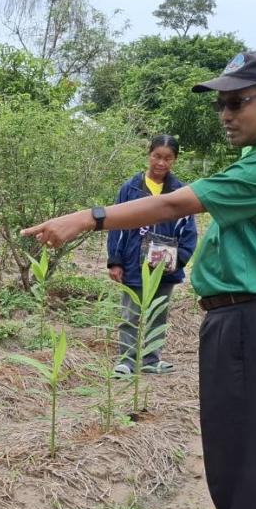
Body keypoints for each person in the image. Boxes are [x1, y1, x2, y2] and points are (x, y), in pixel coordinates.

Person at [23, 52, 256, 509]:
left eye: (237, 102)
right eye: (220, 104)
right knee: (231, 438)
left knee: (246, 445)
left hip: (251, 316)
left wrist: (87, 218)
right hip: (239, 312)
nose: (225, 114)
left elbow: (180, 202)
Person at [106, 134, 198, 377]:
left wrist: (179, 260)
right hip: (132, 261)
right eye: (157, 156)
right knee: (130, 312)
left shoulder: (180, 192)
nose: (161, 163)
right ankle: (126, 361)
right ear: (149, 155)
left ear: (175, 160)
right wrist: (115, 260)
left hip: (165, 265)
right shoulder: (131, 188)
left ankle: (150, 359)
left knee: (159, 312)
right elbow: (116, 224)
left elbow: (189, 230)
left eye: (168, 158)